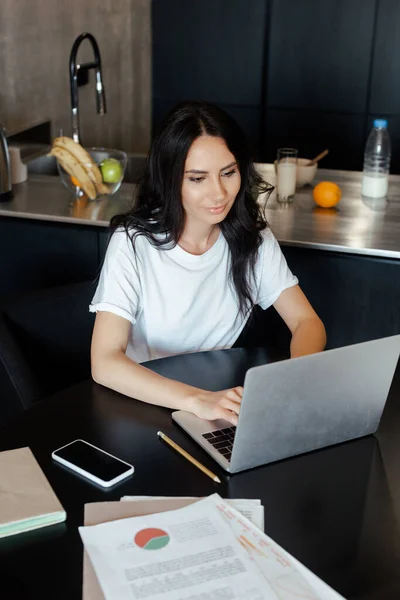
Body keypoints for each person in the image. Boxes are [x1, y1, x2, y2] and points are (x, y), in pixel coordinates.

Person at [90, 101, 326, 425]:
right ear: (171, 179)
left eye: (228, 173)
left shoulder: (251, 238)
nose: (219, 194)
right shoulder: (133, 243)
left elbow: (306, 323)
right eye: (198, 179)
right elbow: (104, 362)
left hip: (215, 403)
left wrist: (292, 383)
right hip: (143, 406)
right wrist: (198, 401)